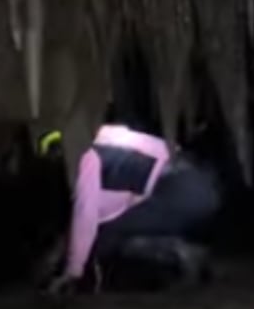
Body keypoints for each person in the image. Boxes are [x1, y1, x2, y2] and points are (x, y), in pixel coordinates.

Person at [44, 123, 220, 296]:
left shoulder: (87, 155)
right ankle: (183, 251)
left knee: (108, 234)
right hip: (202, 181)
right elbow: (115, 206)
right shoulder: (109, 139)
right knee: (113, 228)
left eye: (57, 154)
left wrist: (73, 270)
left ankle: (181, 252)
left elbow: (85, 214)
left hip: (180, 187)